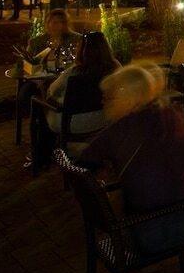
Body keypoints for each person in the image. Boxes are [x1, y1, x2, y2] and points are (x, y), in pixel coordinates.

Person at [78, 64, 184, 273]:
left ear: (129, 98)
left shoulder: (117, 130)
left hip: (134, 225)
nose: (104, 102)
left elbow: (85, 160)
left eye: (110, 96)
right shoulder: (171, 117)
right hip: (155, 228)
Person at [27, 30, 120, 170]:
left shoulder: (75, 72)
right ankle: (48, 150)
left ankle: (39, 156)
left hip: (72, 124)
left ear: (82, 49)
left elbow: (52, 90)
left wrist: (44, 88)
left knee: (39, 105)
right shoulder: (115, 67)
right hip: (104, 119)